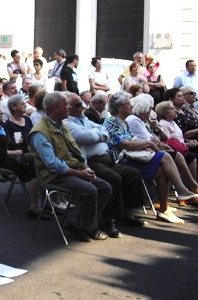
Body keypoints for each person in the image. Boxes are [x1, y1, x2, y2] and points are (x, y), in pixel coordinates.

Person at [28, 92, 113, 242]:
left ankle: (80, 224)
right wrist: (78, 173)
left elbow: (75, 151)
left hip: (70, 169)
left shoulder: (61, 124)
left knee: (105, 187)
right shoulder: (40, 132)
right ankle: (88, 227)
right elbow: (52, 164)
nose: (68, 108)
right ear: (56, 107)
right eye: (65, 105)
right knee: (90, 190)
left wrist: (84, 167)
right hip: (53, 175)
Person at [104, 91, 198, 223]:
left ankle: (164, 209)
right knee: (165, 156)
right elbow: (125, 144)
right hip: (119, 160)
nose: (132, 106)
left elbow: (132, 141)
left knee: (163, 171)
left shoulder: (124, 122)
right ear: (119, 107)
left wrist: (148, 142)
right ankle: (182, 190)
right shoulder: (112, 122)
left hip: (130, 157)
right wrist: (148, 143)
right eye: (128, 104)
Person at [63, 93, 146, 236]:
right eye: (78, 105)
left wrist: (97, 134)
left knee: (133, 174)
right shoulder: (67, 123)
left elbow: (103, 130)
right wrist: (98, 135)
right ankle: (107, 220)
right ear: (68, 107)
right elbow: (86, 137)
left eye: (82, 104)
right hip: (91, 162)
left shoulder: (84, 119)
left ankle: (125, 213)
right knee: (113, 178)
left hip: (107, 159)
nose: (82, 107)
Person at [0, 101, 45, 219]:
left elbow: (8, 142)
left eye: (0, 109)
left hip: (9, 156)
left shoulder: (2, 125)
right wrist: (12, 152)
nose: (2, 112)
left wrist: (16, 143)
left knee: (37, 160)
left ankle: (42, 201)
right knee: (33, 166)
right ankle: (35, 206)